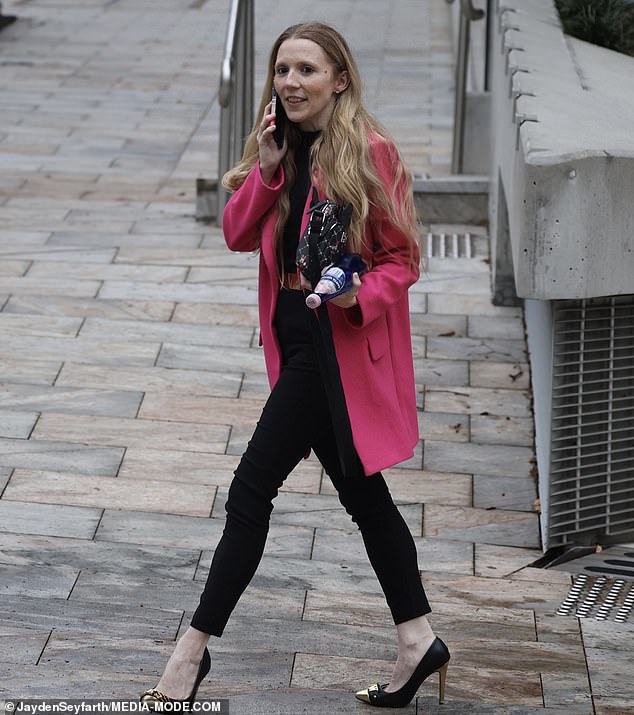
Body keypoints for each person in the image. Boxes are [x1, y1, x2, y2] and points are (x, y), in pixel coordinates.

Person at [140, 20, 450, 710]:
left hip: (330, 352)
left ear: (339, 79)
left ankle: (189, 654)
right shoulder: (282, 151)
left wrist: (354, 295)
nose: (290, 82)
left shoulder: (371, 153)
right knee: (365, 499)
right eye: (282, 70)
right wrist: (270, 164)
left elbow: (403, 260)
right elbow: (235, 233)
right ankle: (417, 637)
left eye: (306, 70)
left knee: (251, 491)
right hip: (294, 346)